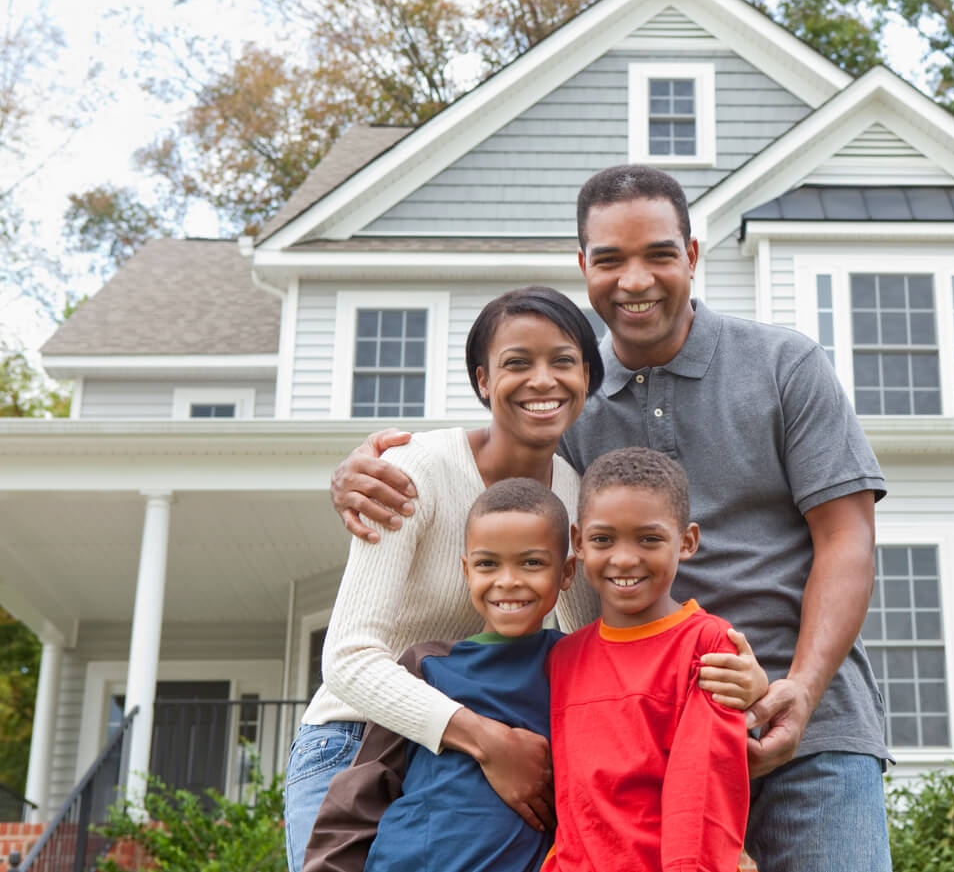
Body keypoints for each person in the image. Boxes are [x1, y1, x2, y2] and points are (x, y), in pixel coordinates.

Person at [331, 165, 892, 872]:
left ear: (692, 255)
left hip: (807, 730)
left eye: (659, 253)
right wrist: (364, 468)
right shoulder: (569, 397)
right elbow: (494, 465)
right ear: (583, 268)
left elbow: (847, 539)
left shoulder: (785, 365)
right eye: (610, 260)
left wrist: (801, 693)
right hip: (642, 749)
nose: (635, 280)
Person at [283, 286, 605, 872]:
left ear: (587, 375)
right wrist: (486, 740)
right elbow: (350, 659)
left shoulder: (577, 497)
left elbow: (591, 654)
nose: (543, 380)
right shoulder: (415, 471)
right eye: (517, 363)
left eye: (562, 361)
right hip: (355, 742)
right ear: (483, 380)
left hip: (473, 762)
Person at [304, 478, 574, 872]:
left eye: (532, 562)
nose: (508, 580)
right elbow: (363, 790)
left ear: (566, 572)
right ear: (466, 571)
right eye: (487, 564)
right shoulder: (426, 665)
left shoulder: (577, 664)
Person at [544, 447, 749, 872]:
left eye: (649, 539)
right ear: (579, 543)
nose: (624, 558)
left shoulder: (707, 644)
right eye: (603, 539)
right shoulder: (563, 657)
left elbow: (702, 792)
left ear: (687, 541)